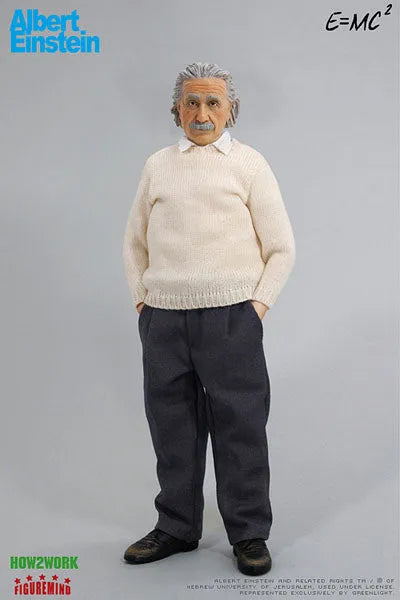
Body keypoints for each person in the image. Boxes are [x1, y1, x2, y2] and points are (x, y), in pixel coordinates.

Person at [122, 61, 296, 576]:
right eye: (191, 102)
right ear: (176, 110)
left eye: (213, 102)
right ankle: (176, 526)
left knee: (241, 425)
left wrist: (255, 308)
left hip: (230, 320)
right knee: (170, 425)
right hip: (163, 321)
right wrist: (143, 301)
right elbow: (134, 241)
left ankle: (248, 532)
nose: (202, 113)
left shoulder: (248, 165)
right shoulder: (157, 165)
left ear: (231, 110)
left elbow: (282, 248)